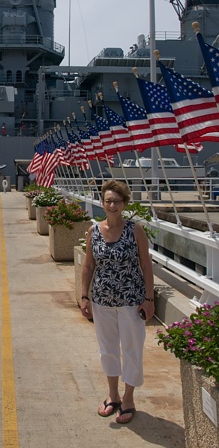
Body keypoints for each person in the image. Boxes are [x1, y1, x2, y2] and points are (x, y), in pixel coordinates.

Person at [81, 179, 154, 425]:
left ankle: (129, 398)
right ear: (102, 202)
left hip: (132, 302)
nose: (112, 205)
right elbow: (89, 265)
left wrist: (149, 299)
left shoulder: (135, 230)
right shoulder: (93, 231)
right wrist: (84, 296)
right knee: (108, 349)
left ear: (124, 204)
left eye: (117, 201)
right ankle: (113, 396)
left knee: (132, 350)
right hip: (102, 301)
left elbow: (146, 265)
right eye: (108, 200)